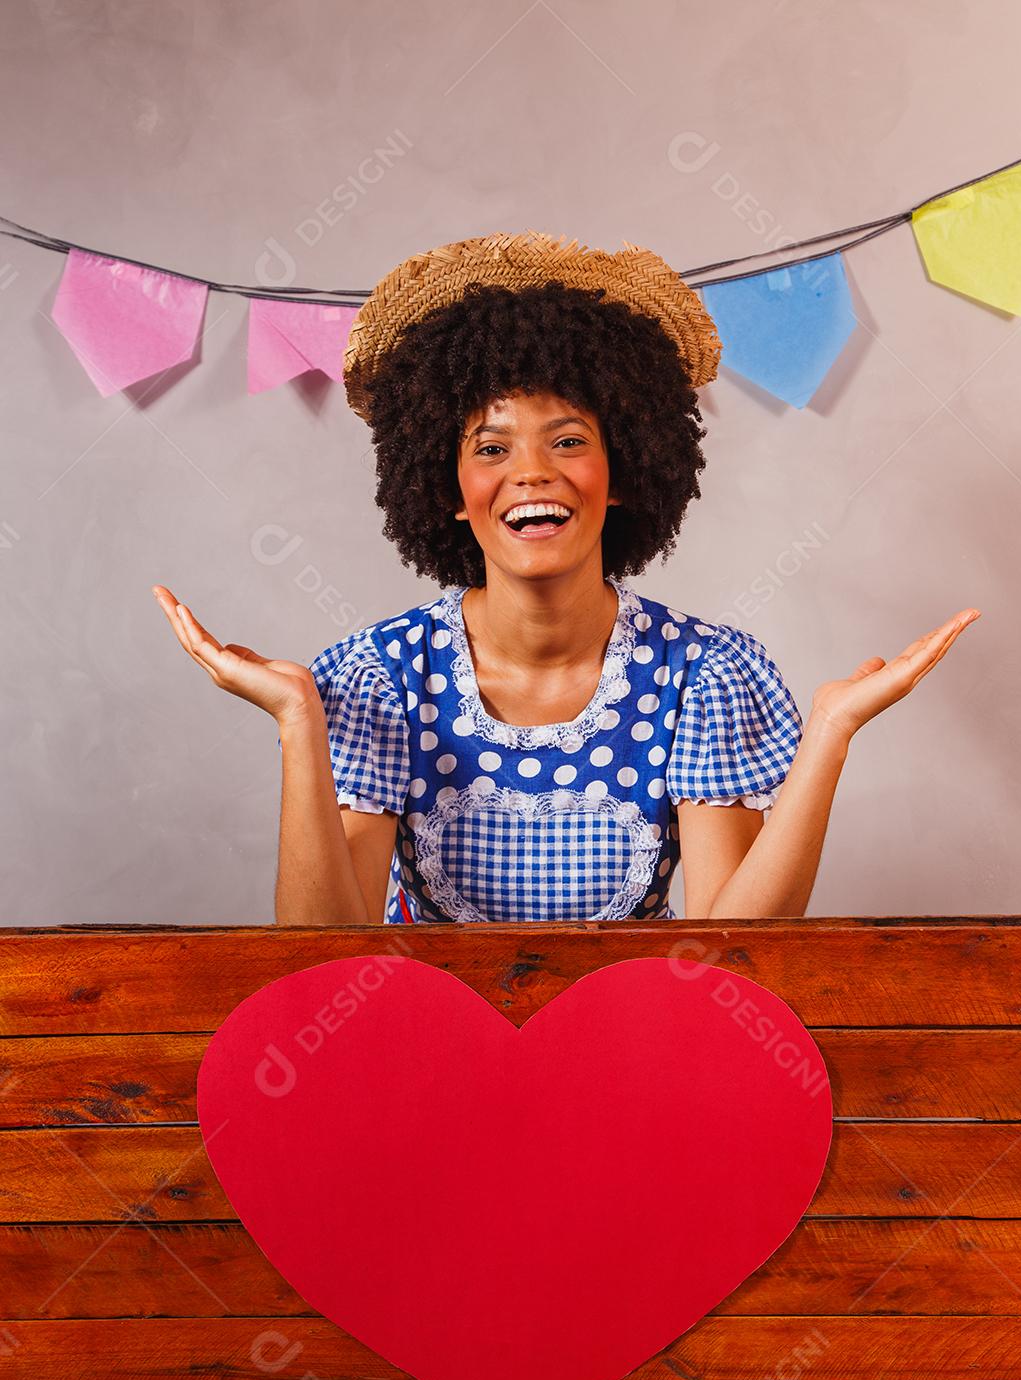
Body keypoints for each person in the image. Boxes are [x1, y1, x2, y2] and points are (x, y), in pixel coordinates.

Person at [152, 231, 978, 926]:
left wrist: (829, 733)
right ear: (448, 493)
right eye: (491, 447)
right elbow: (323, 956)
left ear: (623, 474)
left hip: (624, 1060)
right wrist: (299, 719)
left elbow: (732, 953)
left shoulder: (704, 676)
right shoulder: (378, 679)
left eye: (570, 440)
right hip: (421, 1059)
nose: (532, 473)